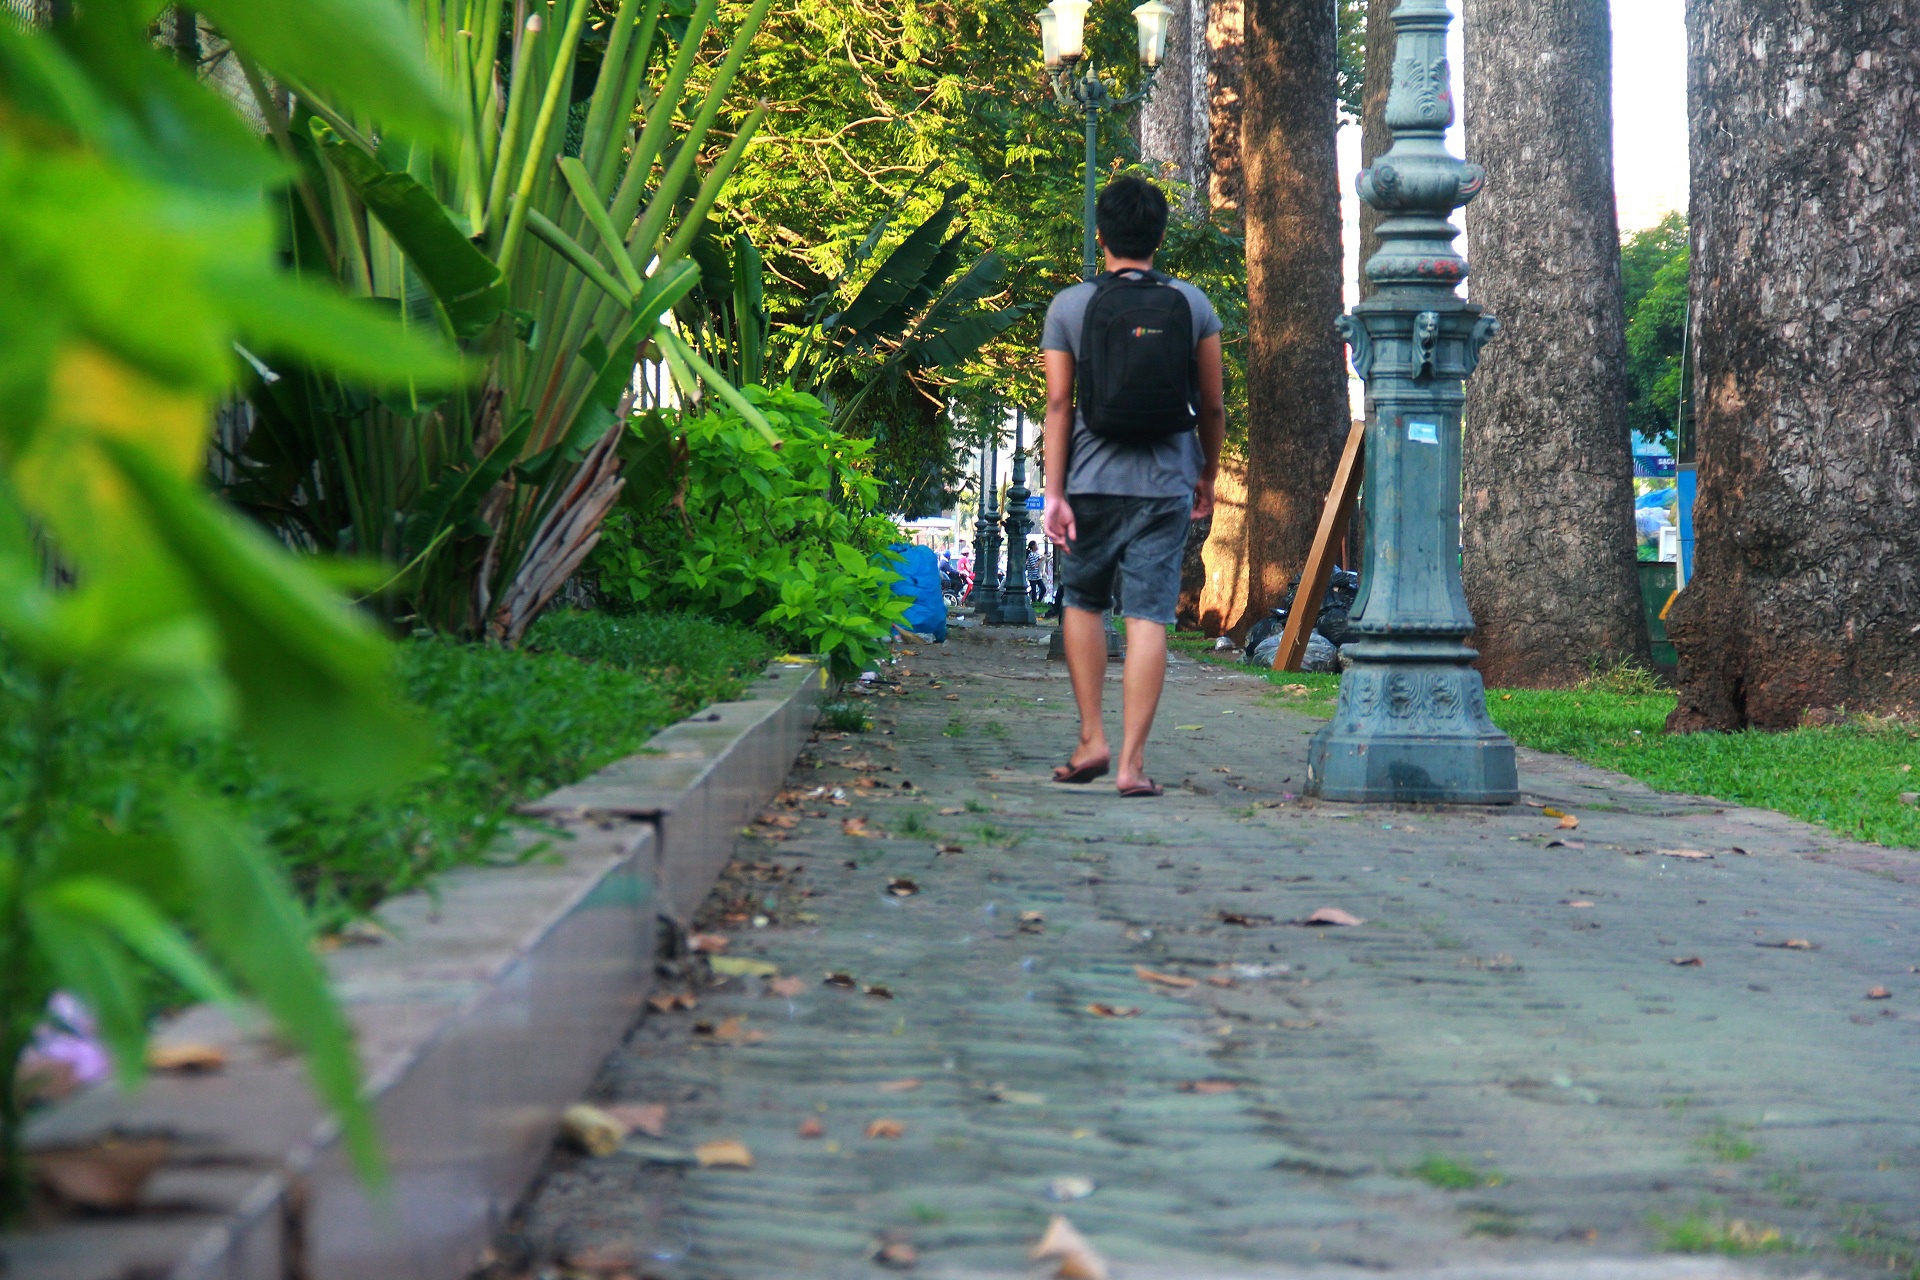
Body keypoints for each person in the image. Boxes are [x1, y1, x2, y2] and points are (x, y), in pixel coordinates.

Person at [1040, 175, 1225, 797]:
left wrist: (1054, 492)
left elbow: (1060, 404)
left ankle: (1092, 737)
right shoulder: (1192, 305)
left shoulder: (1070, 306)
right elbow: (1213, 405)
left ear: (1102, 235)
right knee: (1147, 616)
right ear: (1159, 236)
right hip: (1166, 485)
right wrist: (1206, 473)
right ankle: (1131, 765)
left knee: (1083, 601)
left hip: (1089, 483)